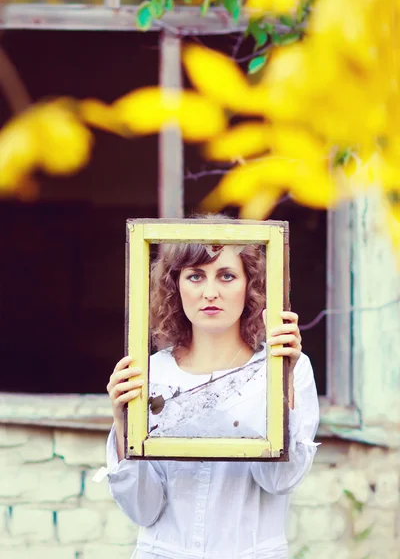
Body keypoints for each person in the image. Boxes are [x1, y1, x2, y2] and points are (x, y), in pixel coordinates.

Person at [103, 227, 320, 559]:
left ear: (251, 286)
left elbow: (280, 480)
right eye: (195, 276)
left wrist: (283, 382)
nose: (210, 292)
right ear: (174, 285)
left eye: (227, 276)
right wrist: (122, 423)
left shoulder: (285, 366)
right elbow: (142, 509)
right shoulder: (148, 373)